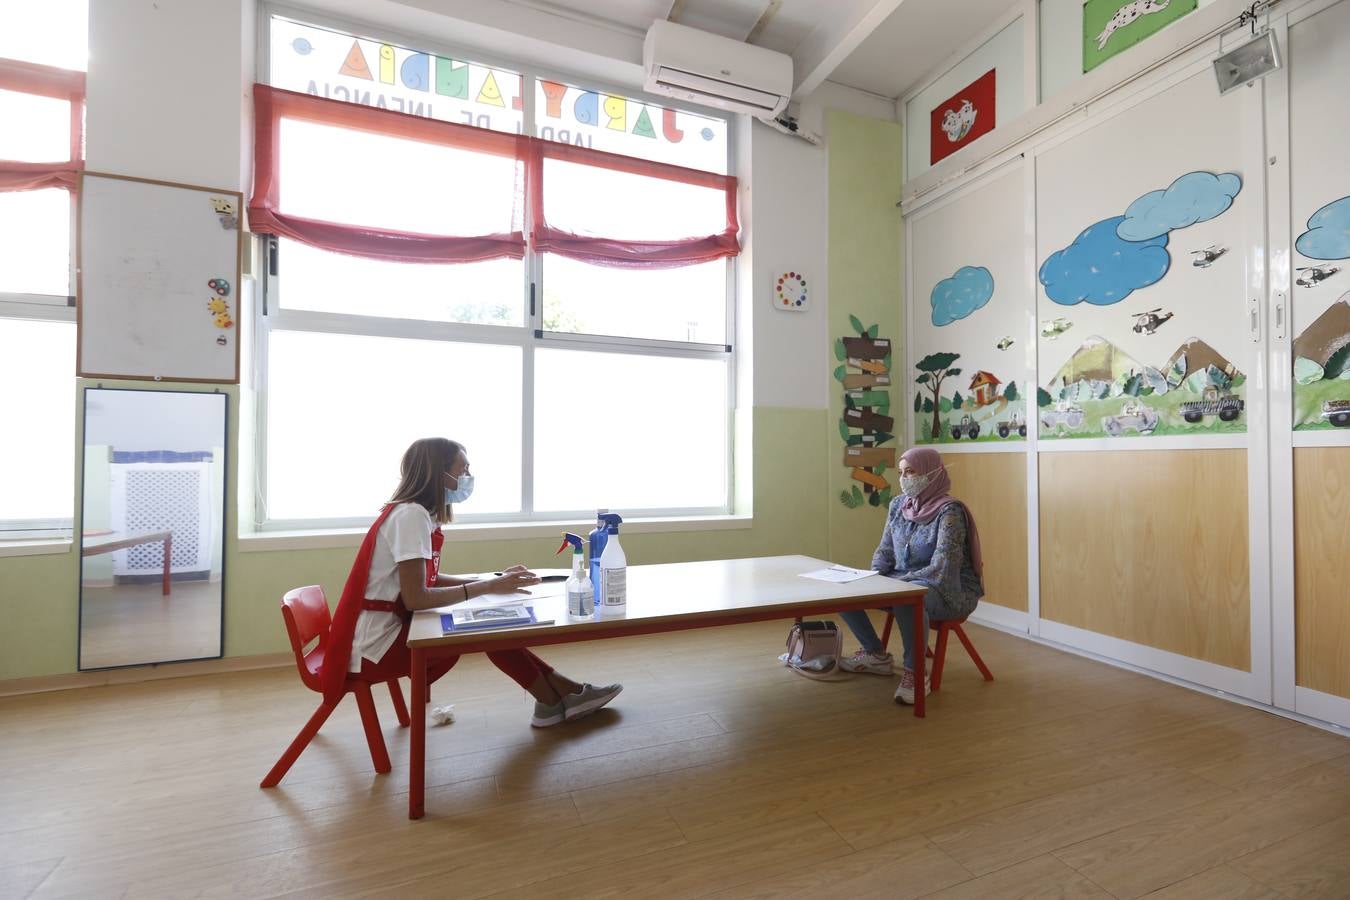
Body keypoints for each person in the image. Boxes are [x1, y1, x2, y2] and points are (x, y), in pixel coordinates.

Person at [321, 437, 622, 728]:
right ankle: (558, 697)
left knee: (491, 625)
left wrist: (492, 580)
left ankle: (560, 697)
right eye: (461, 470)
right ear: (437, 474)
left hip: (385, 631)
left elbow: (427, 579)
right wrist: (487, 587)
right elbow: (417, 598)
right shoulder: (411, 516)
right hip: (377, 647)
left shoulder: (416, 514)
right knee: (488, 629)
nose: (467, 477)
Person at [838, 447, 984, 704]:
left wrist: (895, 585)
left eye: (911, 472)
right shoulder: (898, 505)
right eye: (902, 473)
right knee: (845, 589)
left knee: (908, 598)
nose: (905, 478)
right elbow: (885, 550)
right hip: (903, 580)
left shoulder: (950, 512)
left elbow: (943, 567)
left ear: (931, 473)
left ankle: (915, 672)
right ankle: (876, 655)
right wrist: (871, 577)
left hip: (948, 589)